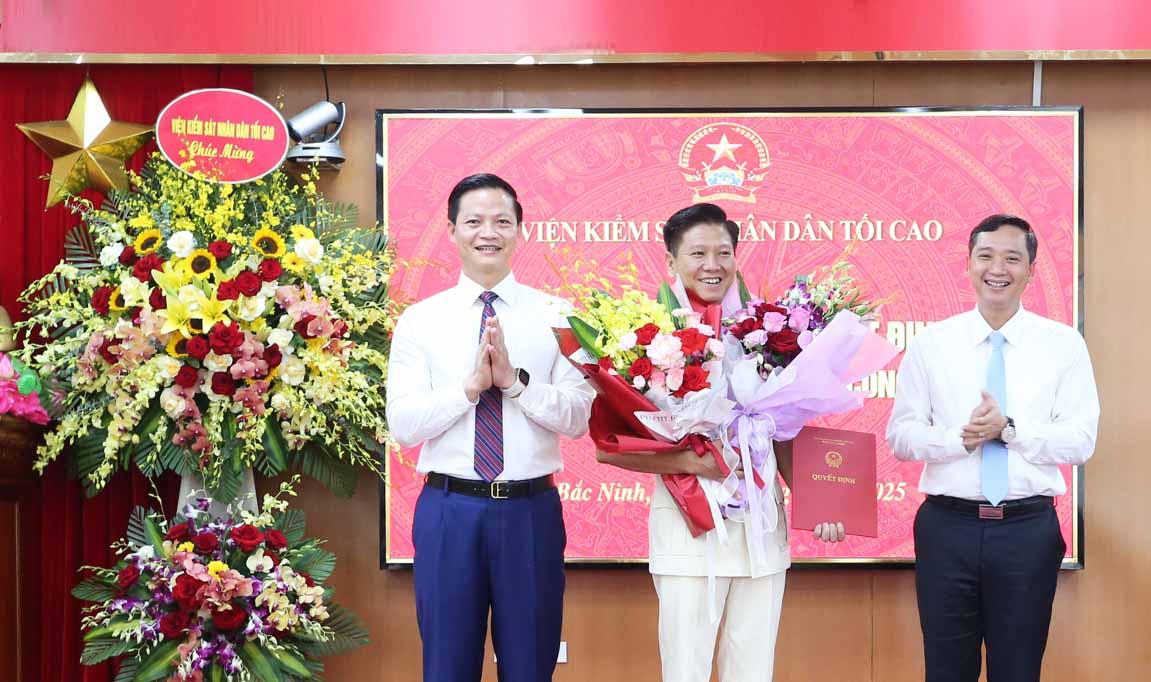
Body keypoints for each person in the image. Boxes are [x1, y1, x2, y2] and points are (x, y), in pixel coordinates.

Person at [596, 203, 843, 682]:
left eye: (723, 252)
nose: (713, 264)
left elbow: (784, 432)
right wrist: (687, 458)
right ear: (671, 262)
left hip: (761, 531)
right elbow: (613, 444)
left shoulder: (768, 333)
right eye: (698, 253)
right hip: (690, 528)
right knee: (685, 669)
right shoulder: (645, 340)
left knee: (752, 670)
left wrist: (821, 500)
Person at [386, 173, 595, 682]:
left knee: (529, 665)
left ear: (520, 230)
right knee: (447, 666)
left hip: (530, 512)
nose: (489, 232)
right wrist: (469, 389)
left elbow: (578, 418)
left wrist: (516, 383)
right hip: (449, 510)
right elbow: (405, 425)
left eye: (502, 221)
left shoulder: (559, 316)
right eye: (475, 221)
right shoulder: (421, 320)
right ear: (453, 230)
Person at [886, 214, 1099, 682]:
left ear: (1031, 268)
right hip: (947, 528)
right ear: (968, 264)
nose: (996, 268)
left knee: (1018, 670)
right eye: (985, 256)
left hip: (1027, 530)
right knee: (946, 670)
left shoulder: (1063, 345)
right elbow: (901, 435)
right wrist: (957, 439)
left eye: (1011, 258)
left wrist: (1009, 431)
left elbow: (1081, 441)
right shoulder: (932, 343)